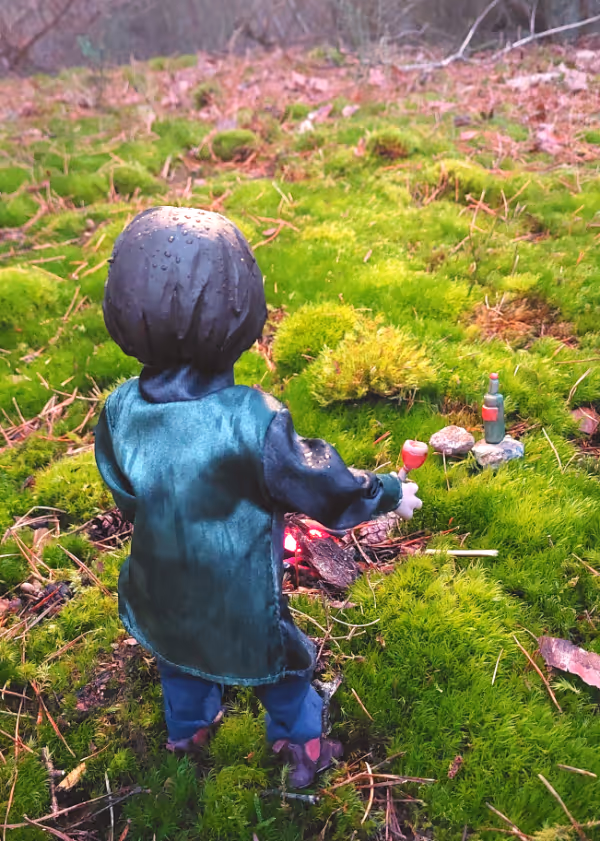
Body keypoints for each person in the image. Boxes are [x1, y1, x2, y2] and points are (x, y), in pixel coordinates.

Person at [94, 206, 423, 789]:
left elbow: (122, 487)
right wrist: (387, 491)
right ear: (240, 312)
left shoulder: (121, 406)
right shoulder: (254, 421)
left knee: (177, 658)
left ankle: (187, 732)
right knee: (283, 667)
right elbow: (322, 485)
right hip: (241, 599)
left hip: (158, 585)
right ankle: (304, 746)